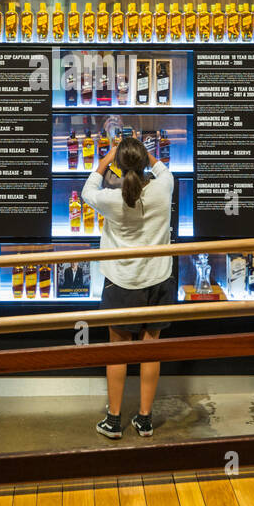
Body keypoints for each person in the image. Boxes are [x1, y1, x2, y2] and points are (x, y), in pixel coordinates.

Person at [81, 135, 175, 439]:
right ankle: (145, 420)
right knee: (151, 350)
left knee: (117, 352)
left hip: (122, 283)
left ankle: (113, 420)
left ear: (120, 168)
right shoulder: (164, 188)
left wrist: (108, 157)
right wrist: (143, 153)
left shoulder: (111, 199)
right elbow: (161, 169)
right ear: (144, 159)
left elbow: (87, 190)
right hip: (159, 280)